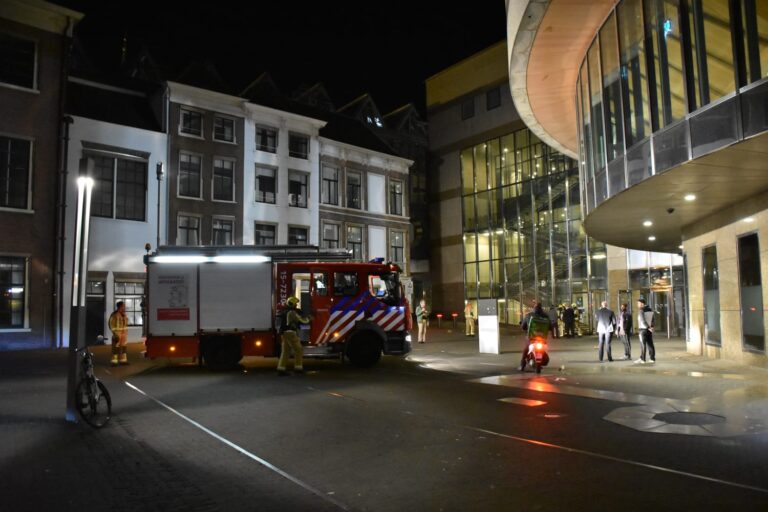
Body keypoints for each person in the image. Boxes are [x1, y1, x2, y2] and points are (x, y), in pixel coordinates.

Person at [277, 296, 311, 376]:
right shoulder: (292, 312)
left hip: (284, 333)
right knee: (299, 350)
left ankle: (281, 369)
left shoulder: (284, 311)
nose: (296, 305)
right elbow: (302, 321)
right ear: (292, 304)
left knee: (285, 352)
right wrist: (309, 318)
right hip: (291, 333)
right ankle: (298, 368)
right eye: (296, 304)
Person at [519, 302, 551, 371]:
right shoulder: (546, 316)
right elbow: (550, 327)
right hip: (542, 339)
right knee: (544, 350)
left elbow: (523, 326)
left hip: (532, 338)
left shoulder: (529, 315)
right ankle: (540, 361)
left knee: (526, 349)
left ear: (534, 308)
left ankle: (522, 365)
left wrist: (524, 327)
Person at [635, 298, 655, 364]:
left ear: (642, 304)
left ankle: (642, 359)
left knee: (643, 344)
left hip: (642, 329)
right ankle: (652, 358)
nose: (638, 305)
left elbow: (643, 321)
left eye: (638, 303)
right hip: (649, 330)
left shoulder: (641, 310)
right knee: (650, 344)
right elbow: (653, 319)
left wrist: (647, 327)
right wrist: (651, 327)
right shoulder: (650, 310)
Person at [109, 301, 129, 366]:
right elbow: (110, 324)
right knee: (115, 348)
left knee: (123, 347)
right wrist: (114, 333)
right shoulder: (114, 314)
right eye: (123, 306)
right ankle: (114, 362)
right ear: (120, 306)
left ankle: (123, 361)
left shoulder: (124, 315)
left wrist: (125, 333)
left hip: (124, 335)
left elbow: (125, 324)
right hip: (117, 334)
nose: (124, 307)